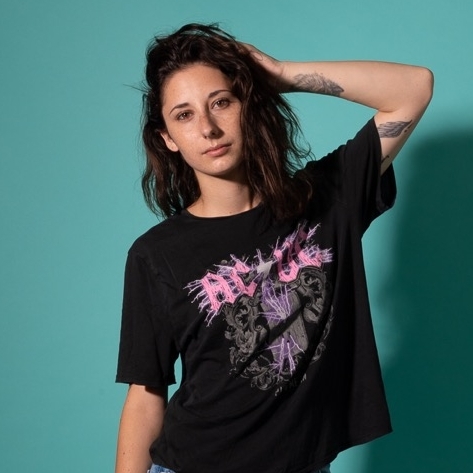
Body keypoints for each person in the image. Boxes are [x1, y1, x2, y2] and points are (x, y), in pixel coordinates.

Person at [115, 23, 433, 473]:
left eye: (221, 102)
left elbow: (414, 88)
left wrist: (281, 74)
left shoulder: (327, 199)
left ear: (248, 104)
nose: (208, 128)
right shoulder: (155, 254)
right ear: (167, 137)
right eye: (183, 115)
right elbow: (145, 393)